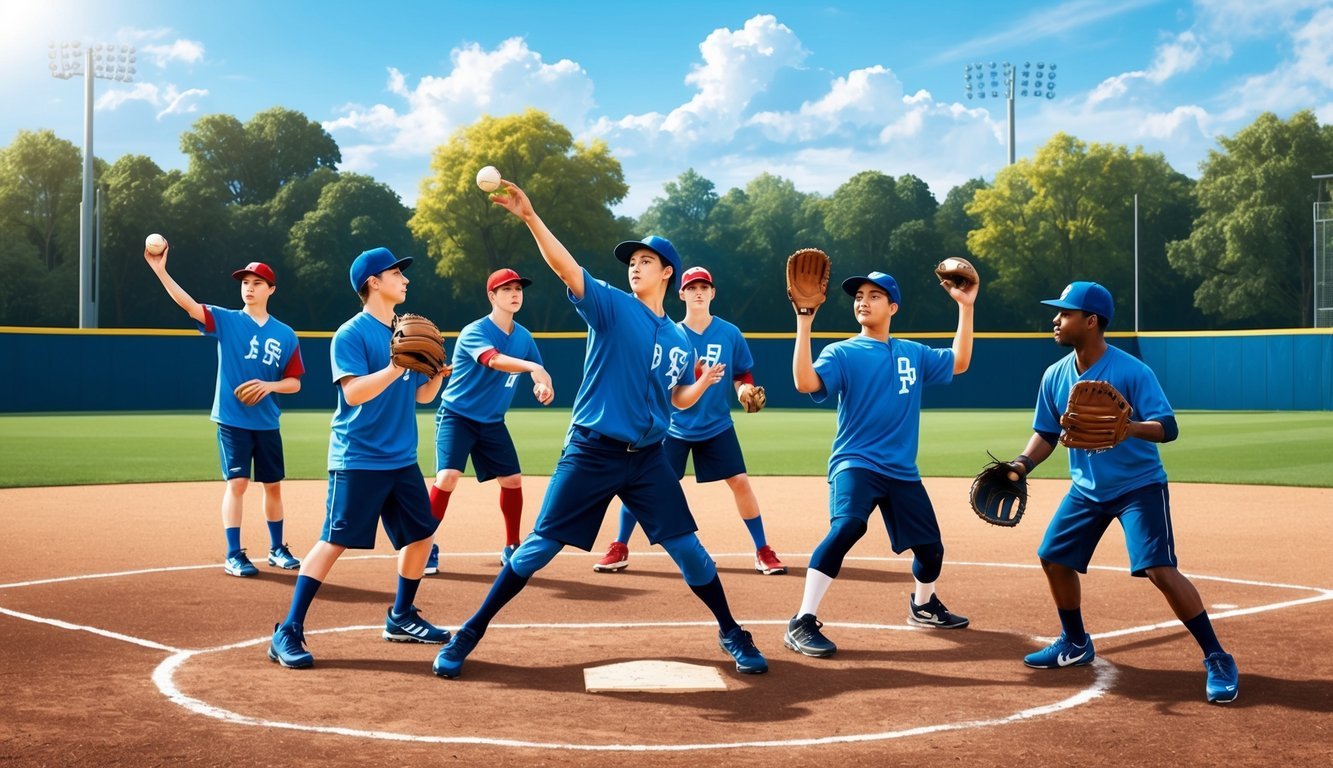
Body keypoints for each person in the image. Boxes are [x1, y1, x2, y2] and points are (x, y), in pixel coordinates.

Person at [431, 182, 767, 678]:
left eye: (646, 260)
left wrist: (702, 386)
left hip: (649, 457)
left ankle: (731, 631)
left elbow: (674, 397)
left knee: (689, 552)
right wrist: (530, 216)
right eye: (631, 260)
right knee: (539, 547)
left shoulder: (679, 339)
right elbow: (566, 266)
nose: (634, 265)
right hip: (592, 450)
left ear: (667, 273)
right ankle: (470, 632)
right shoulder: (610, 305)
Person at [1001, 281, 1239, 703]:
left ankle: (1217, 656)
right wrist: (1022, 463)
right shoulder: (1054, 375)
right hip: (1087, 489)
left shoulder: (1131, 370)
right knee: (1053, 557)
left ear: (1091, 321)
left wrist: (1128, 428)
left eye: (1066, 313)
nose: (1056, 320)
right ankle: (1075, 642)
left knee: (1159, 570)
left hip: (1138, 487)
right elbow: (1045, 433)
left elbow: (1169, 427)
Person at [267, 247, 450, 669]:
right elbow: (353, 393)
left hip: (401, 457)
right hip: (358, 457)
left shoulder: (408, 330)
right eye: (396, 273)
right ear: (373, 282)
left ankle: (401, 616)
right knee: (334, 541)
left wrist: (435, 378)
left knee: (422, 535)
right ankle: (287, 630)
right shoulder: (351, 334)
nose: (404, 279)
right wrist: (394, 365)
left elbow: (419, 396)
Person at [783, 268, 976, 658]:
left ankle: (923, 606)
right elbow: (805, 383)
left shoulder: (913, 352)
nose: (863, 301)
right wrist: (804, 322)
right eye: (858, 296)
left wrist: (965, 308)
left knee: (932, 551)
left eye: (874, 295)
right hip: (855, 461)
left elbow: (959, 362)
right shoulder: (842, 352)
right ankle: (802, 620)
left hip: (901, 470)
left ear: (893, 307)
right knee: (849, 526)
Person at [592, 265, 786, 576]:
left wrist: (745, 390)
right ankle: (620, 545)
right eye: (691, 287)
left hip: (716, 425)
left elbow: (741, 373)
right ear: (681, 293)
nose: (698, 292)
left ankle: (763, 550)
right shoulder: (671, 332)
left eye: (703, 287)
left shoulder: (730, 333)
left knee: (740, 482)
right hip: (674, 428)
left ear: (712, 293)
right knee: (641, 483)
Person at [145, 243, 304, 578]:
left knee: (273, 485)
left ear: (271, 290)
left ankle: (276, 549)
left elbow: (294, 383)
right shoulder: (228, 321)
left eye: (257, 282)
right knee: (239, 482)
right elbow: (189, 306)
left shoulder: (285, 334)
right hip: (232, 419)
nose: (249, 286)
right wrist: (160, 271)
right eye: (245, 282)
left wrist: (269, 386)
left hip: (266, 421)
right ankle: (234, 554)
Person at [423, 267, 555, 575]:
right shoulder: (475, 331)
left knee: (512, 480)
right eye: (507, 289)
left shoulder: (523, 337)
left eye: (518, 289)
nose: (514, 294)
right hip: (457, 415)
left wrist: (543, 383)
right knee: (448, 477)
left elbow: (539, 369)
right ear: (492, 296)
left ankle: (511, 545)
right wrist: (532, 368)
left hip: (492, 421)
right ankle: (423, 542)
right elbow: (493, 360)